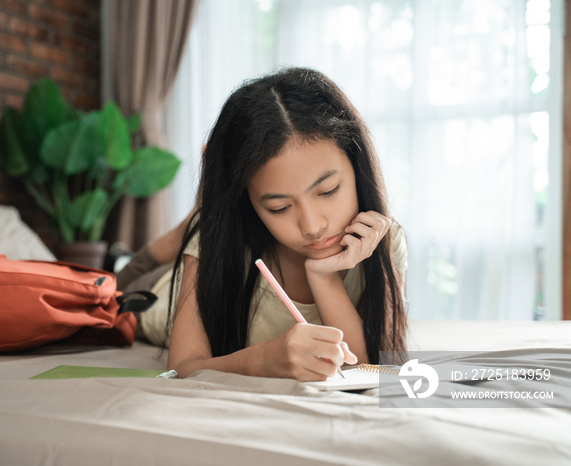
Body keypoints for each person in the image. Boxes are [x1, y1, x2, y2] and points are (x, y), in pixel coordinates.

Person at [117, 67, 407, 382]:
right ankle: (172, 234)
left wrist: (323, 276)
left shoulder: (385, 240)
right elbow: (181, 366)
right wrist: (264, 359)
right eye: (279, 207)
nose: (312, 226)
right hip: (154, 299)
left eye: (328, 191)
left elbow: (362, 368)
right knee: (112, 292)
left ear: (356, 164)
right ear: (251, 204)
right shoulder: (220, 239)